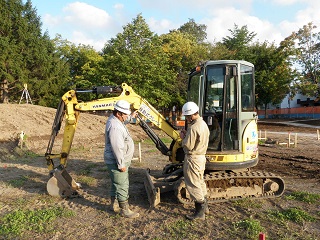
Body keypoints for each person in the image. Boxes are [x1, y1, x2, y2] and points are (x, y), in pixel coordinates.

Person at [104, 99, 139, 218]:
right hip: (117, 161)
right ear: (118, 113)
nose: (127, 117)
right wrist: (121, 164)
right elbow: (117, 147)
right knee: (122, 184)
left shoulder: (115, 120)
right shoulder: (115, 127)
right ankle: (125, 210)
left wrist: (131, 117)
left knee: (116, 183)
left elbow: (123, 122)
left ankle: (113, 205)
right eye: (126, 115)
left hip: (117, 160)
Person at [179, 101, 210, 220]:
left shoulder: (193, 128)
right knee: (200, 181)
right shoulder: (203, 124)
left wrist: (183, 138)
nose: (186, 119)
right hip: (201, 157)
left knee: (193, 183)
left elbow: (188, 146)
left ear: (191, 115)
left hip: (193, 158)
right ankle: (205, 207)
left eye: (187, 117)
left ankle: (199, 212)